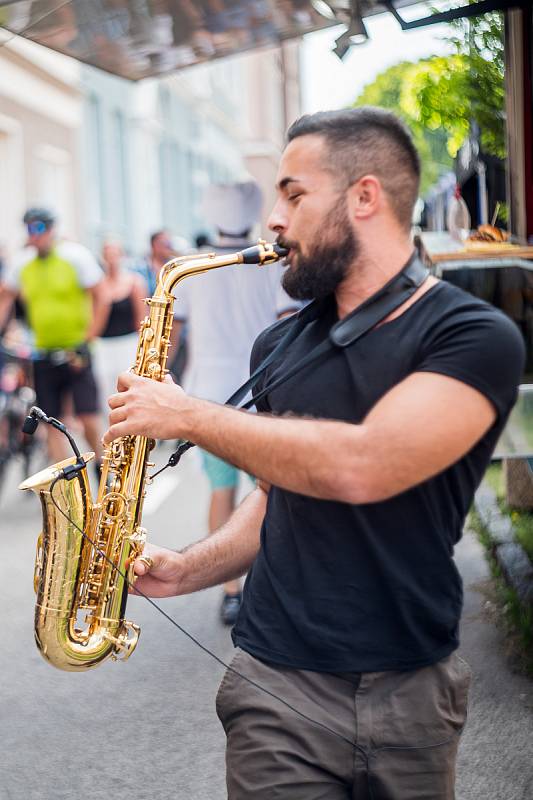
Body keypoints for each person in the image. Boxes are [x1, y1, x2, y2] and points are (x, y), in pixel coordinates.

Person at [103, 108, 525, 799]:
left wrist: (186, 415)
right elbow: (276, 498)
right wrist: (187, 569)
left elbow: (365, 465)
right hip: (273, 685)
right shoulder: (279, 345)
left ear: (364, 196)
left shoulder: (471, 335)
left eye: (293, 194)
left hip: (411, 685)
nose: (274, 217)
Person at [172, 179, 299, 625]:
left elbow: (172, 337)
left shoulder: (190, 267)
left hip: (208, 393)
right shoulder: (273, 262)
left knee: (220, 489)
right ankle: (278, 585)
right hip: (263, 391)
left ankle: (230, 591)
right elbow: (290, 328)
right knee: (272, 494)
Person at [0, 208, 105, 466]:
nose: (33, 235)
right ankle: (63, 484)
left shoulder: (75, 255)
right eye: (29, 229)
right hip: (42, 352)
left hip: (75, 351)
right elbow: (5, 298)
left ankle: (104, 470)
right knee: (50, 421)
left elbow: (101, 297)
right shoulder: (22, 262)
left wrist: (89, 338)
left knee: (88, 417)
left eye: (38, 229)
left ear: (51, 229)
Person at [92, 239, 147, 405]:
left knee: (128, 388)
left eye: (114, 254)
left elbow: (141, 318)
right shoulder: (98, 284)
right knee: (104, 390)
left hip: (127, 343)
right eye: (107, 254)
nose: (111, 259)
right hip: (104, 345)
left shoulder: (134, 282)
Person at [133, 229, 177, 297]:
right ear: (153, 245)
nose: (169, 247)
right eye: (165, 243)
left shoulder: (175, 266)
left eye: (170, 243)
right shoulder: (139, 268)